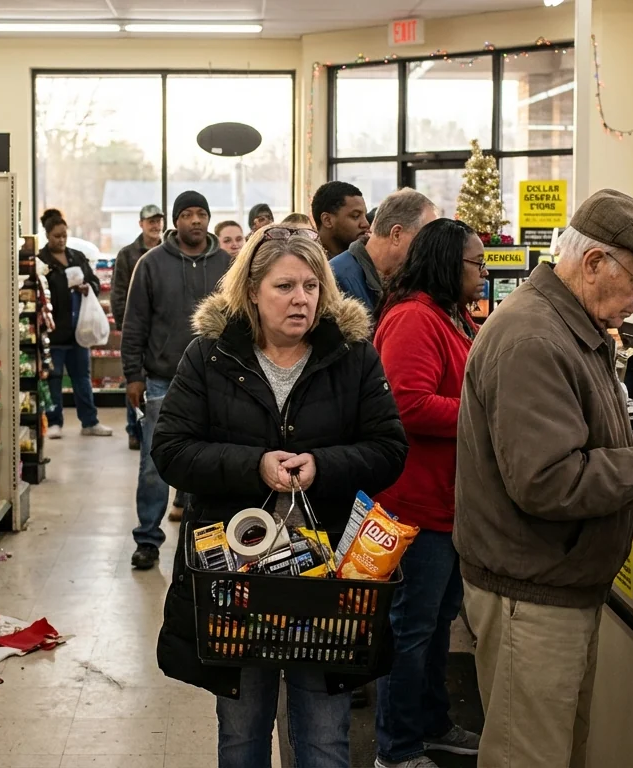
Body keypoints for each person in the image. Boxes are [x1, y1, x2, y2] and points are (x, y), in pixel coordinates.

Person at [456, 189, 633, 768]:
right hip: (531, 593)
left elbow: (588, 439)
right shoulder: (534, 337)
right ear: (595, 262)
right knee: (527, 756)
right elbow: (547, 480)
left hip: (554, 584)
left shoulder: (570, 327)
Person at [151, 225, 408, 768]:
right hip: (236, 583)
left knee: (324, 735)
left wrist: (324, 466)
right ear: (251, 291)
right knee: (243, 733)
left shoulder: (353, 357)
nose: (302, 299)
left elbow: (389, 449)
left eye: (312, 286)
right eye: (285, 286)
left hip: (329, 583)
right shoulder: (210, 356)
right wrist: (254, 466)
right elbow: (171, 450)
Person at [372, 219, 487, 768]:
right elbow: (407, 404)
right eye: (476, 262)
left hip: (446, 501)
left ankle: (434, 724)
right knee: (411, 629)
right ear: (447, 262)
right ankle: (396, 749)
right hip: (413, 503)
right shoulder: (415, 319)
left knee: (437, 622)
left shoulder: (451, 314)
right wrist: (483, 416)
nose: (485, 273)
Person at [122, 190, 232, 570]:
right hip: (161, 379)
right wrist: (132, 376)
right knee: (155, 462)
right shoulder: (151, 264)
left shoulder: (228, 265)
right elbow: (134, 323)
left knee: (210, 461)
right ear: (176, 221)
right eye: (187, 214)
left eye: (202, 213)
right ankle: (148, 539)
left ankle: (207, 542)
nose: (196, 220)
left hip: (217, 379)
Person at [36, 209, 112, 439]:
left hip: (80, 329)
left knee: (82, 378)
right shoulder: (40, 261)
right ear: (48, 235)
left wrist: (88, 287)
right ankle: (54, 422)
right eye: (56, 236)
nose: (61, 240)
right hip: (54, 332)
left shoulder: (77, 257)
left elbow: (94, 282)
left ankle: (90, 422)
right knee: (54, 379)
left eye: (64, 236)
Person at [329, 188, 438, 312]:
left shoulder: (408, 278)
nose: (429, 248)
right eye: (426, 238)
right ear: (396, 234)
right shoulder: (335, 280)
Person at [113, 203, 165, 450]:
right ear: (141, 224)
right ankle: (134, 430)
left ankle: (157, 429)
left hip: (161, 332)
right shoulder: (127, 254)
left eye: (158, 221)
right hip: (136, 328)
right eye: (150, 221)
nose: (155, 225)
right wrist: (126, 326)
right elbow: (119, 292)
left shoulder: (169, 251)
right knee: (135, 379)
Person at [312, 181, 370, 258]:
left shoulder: (365, 257)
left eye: (365, 215)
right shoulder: (304, 263)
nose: (366, 224)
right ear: (327, 220)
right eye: (355, 216)